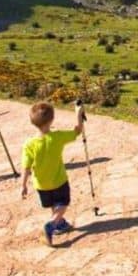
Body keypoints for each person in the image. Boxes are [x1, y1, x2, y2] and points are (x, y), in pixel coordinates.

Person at [20, 101, 85, 246]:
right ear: (51, 120)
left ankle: (59, 223)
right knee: (63, 203)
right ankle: (52, 223)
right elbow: (77, 131)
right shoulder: (57, 136)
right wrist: (78, 114)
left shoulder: (29, 144)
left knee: (52, 203)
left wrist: (23, 185)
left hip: (41, 184)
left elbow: (26, 166)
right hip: (59, 180)